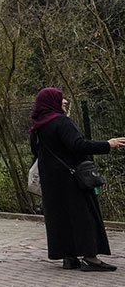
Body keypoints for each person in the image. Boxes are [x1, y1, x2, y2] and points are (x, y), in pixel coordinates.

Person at [29, 87, 125, 271]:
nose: (65, 101)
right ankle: (90, 258)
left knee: (61, 218)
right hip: (72, 180)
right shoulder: (61, 122)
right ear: (52, 102)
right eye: (61, 98)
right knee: (84, 216)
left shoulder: (38, 128)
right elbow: (78, 145)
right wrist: (108, 144)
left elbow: (36, 153)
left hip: (51, 183)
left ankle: (69, 257)